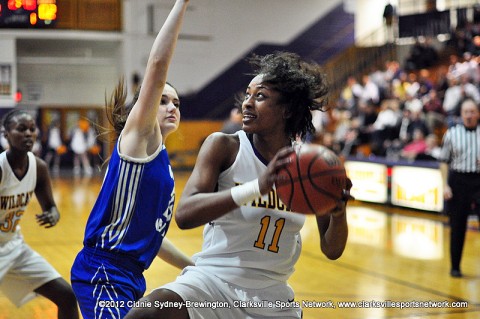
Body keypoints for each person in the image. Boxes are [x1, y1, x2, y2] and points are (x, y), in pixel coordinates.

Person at [125, 51, 352, 319]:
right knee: (147, 312)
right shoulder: (224, 146)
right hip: (212, 283)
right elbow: (185, 215)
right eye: (247, 94)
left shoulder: (307, 165)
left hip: (272, 297)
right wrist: (258, 186)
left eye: (260, 96)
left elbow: (332, 249)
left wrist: (339, 212)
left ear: (287, 109)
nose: (247, 104)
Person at [70, 1, 193, 318]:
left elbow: (151, 237)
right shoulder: (139, 140)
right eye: (162, 100)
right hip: (103, 270)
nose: (171, 106)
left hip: (131, 276)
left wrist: (193, 265)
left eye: (176, 102)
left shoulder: (161, 159)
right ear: (145, 107)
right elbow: (158, 65)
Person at [0, 110, 79, 319]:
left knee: (67, 297)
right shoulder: (1, 168)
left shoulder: (39, 167)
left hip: (14, 247)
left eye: (32, 129)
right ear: (6, 134)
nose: (28, 134)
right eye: (21, 129)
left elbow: (51, 207)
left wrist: (53, 215)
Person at [439, 98, 480, 278]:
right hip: (459, 181)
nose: (469, 115)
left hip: (478, 180)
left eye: (472, 111)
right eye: (466, 112)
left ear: (478, 114)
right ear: (461, 115)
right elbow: (443, 161)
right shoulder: (452, 134)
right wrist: (445, 185)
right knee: (458, 226)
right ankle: (455, 266)